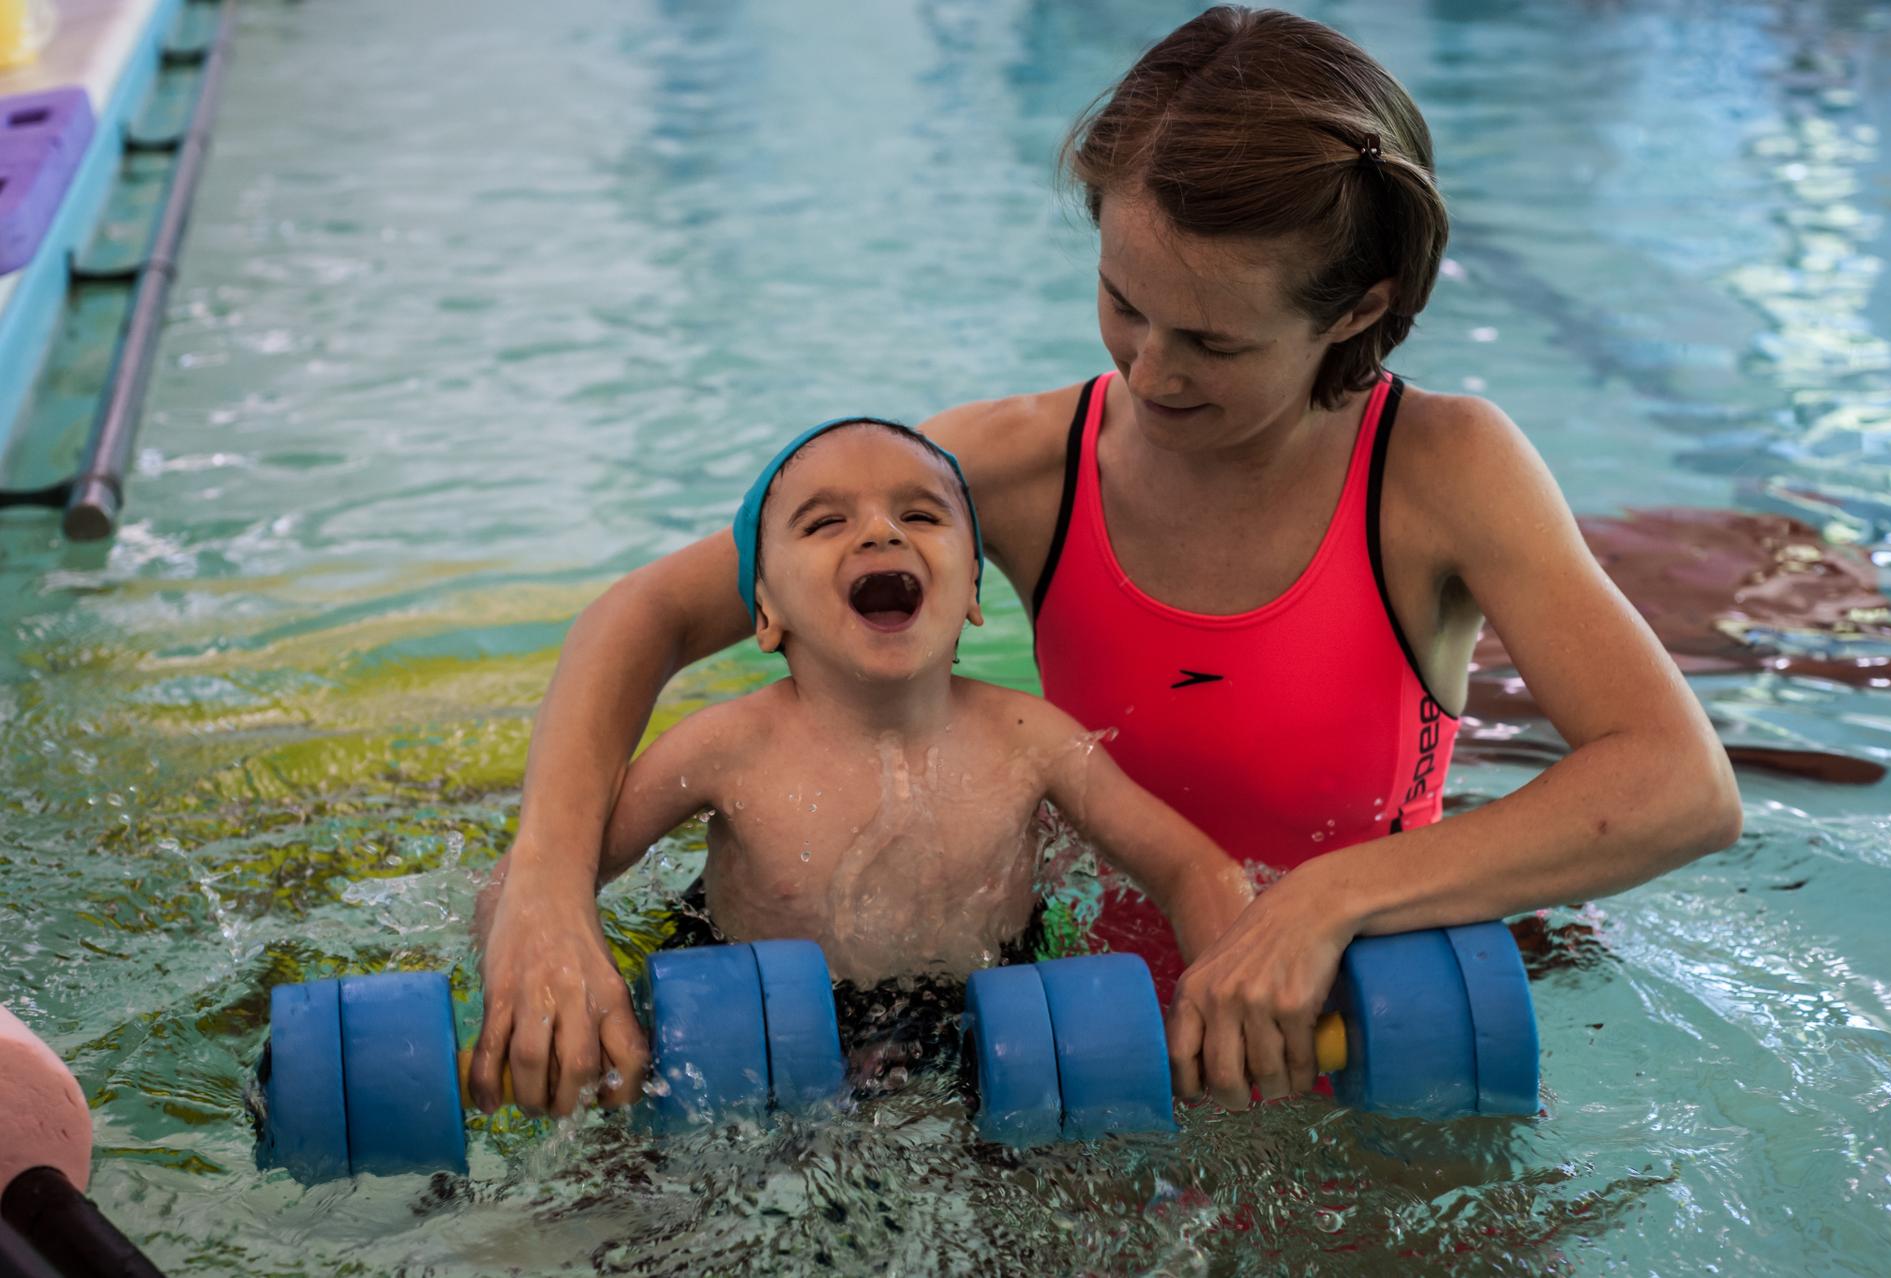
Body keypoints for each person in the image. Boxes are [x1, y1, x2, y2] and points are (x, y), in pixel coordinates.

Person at [473, 6, 1741, 1118]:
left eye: (1214, 342)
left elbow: (1679, 785)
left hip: (1338, 1032)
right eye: (1123, 302)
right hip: (1063, 1038)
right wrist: (544, 893)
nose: (1150, 370)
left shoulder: (1440, 470)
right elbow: (645, 613)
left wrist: (1325, 901)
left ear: (1355, 309)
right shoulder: (1023, 467)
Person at [469, 417, 1251, 1111]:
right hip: (747, 1018)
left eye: (922, 515)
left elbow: (1192, 870)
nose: (881, 533)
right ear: (765, 611)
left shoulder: (1032, 740)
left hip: (983, 1021)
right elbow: (534, 886)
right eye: (824, 523)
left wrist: (1231, 1004)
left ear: (973, 590)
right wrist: (536, 997)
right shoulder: (726, 748)